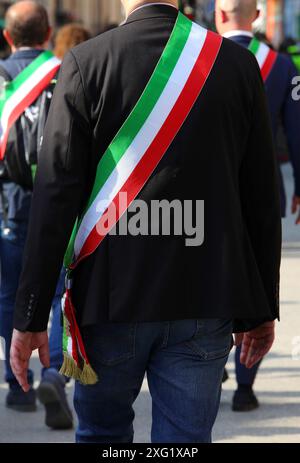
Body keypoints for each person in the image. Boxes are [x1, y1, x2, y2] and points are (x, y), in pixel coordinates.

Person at [11, 0, 281, 443]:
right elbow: (260, 197)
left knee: (102, 436)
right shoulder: (235, 65)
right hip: (206, 295)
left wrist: (30, 314)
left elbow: (54, 197)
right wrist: (261, 307)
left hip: (109, 298)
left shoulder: (85, 62)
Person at [215, 0, 300, 412]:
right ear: (257, 16)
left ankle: (211, 363)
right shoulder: (282, 66)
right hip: (262, 194)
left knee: (210, 278)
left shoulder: (196, 58)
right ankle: (245, 385)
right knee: (257, 282)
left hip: (209, 194)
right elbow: (298, 131)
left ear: (218, 15)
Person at [0, 1, 73, 429]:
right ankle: (54, 372)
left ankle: (16, 383)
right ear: (48, 34)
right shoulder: (67, 71)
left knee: (11, 292)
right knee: (63, 293)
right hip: (60, 199)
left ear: (8, 37)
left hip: (11, 202)